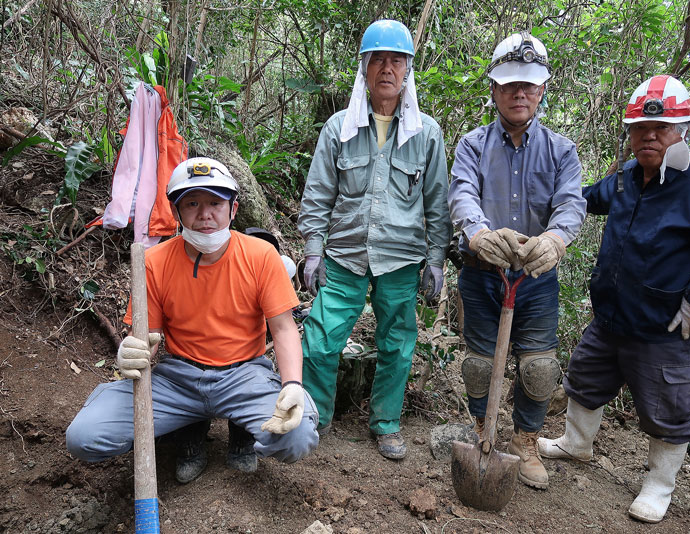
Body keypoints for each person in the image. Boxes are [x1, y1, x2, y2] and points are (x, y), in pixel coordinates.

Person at [538, 75, 690, 522]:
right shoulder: (625, 178)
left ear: (683, 132)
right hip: (611, 317)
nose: (649, 137)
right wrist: (547, 202)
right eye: (640, 128)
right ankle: (577, 444)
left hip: (667, 328)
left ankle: (660, 485)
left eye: (660, 129)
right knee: (584, 377)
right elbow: (584, 200)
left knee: (669, 407)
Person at [66, 157, 319, 478]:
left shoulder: (261, 255)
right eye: (192, 203)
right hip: (179, 379)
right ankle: (187, 430)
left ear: (234, 209)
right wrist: (132, 351)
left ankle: (242, 435)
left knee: (297, 436)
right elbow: (147, 339)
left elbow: (283, 331)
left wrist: (293, 384)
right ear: (175, 212)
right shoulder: (154, 262)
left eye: (216, 202)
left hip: (244, 376)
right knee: (84, 436)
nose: (205, 214)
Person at [298, 19, 451, 460]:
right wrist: (312, 251)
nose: (387, 68)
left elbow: (437, 203)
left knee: (397, 344)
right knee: (321, 337)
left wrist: (436, 259)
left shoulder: (427, 134)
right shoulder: (338, 128)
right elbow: (318, 194)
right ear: (364, 68)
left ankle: (385, 423)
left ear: (407, 70)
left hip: (401, 259)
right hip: (344, 255)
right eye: (378, 59)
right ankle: (317, 416)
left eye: (396, 60)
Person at [448, 32, 587, 490]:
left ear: (543, 89)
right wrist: (479, 232)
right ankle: (481, 430)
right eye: (509, 85)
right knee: (480, 365)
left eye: (529, 85)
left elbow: (570, 205)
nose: (519, 93)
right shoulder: (471, 145)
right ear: (494, 89)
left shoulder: (562, 150)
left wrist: (556, 239)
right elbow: (463, 192)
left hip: (536, 278)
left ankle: (526, 440)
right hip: (482, 273)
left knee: (540, 367)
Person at [169, 226, 298, 483]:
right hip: (190, 359)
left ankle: (242, 440)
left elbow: (282, 324)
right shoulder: (191, 263)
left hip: (243, 358)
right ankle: (191, 438)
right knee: (188, 377)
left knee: (248, 376)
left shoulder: (270, 265)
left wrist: (292, 382)